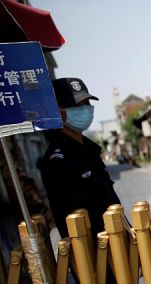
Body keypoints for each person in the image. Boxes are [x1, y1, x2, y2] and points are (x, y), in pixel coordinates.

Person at [38, 77, 121, 238]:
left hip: (117, 241)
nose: (86, 110)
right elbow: (72, 221)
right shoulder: (57, 162)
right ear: (58, 111)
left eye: (87, 104)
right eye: (77, 106)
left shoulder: (90, 150)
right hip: (94, 253)